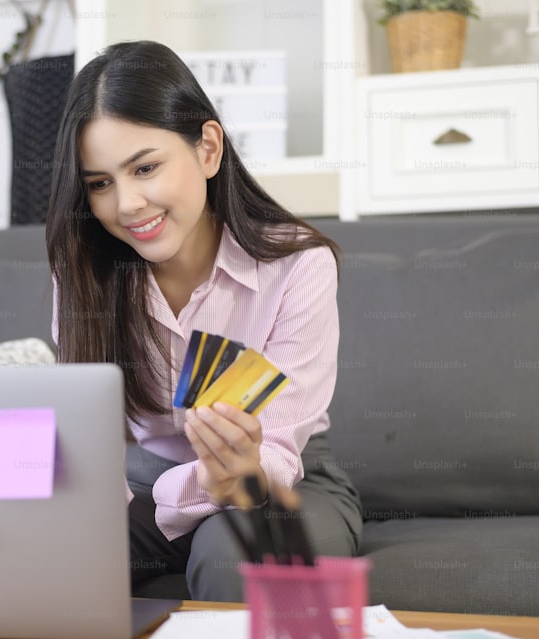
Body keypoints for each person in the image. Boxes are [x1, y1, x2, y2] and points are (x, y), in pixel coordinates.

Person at [45, 40, 362, 601]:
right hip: (147, 479)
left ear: (208, 149)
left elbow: (278, 450)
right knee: (42, 562)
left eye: (145, 167)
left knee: (231, 562)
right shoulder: (83, 271)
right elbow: (91, 442)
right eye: (100, 183)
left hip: (275, 475)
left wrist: (213, 481)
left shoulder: (297, 267)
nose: (127, 204)